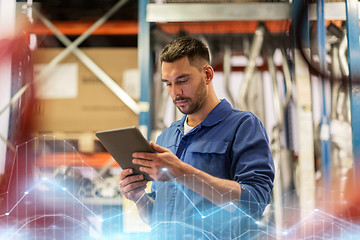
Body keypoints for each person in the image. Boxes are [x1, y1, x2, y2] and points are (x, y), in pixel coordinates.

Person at [119, 36, 275, 239]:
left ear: (208, 74)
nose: (176, 93)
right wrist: (138, 197)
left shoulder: (243, 126)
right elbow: (158, 220)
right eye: (168, 84)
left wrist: (181, 172)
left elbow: (254, 202)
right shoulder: (167, 137)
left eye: (183, 81)